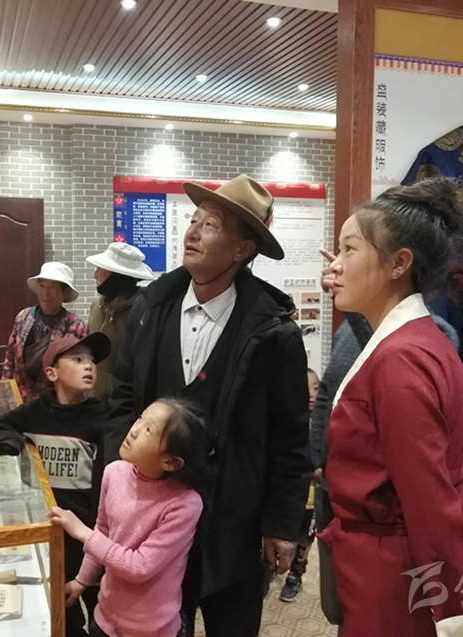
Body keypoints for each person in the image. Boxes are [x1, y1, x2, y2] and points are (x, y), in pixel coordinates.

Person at [108, 174, 311, 636]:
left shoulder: (273, 333)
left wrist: (282, 524)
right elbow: (121, 396)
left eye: (211, 225)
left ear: (242, 249)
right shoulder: (150, 309)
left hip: (233, 521)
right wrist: (123, 479)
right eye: (193, 220)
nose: (193, 233)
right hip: (152, 518)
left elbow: (290, 438)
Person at [317, 177, 463, 636]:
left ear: (398, 263)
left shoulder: (400, 359)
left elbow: (428, 500)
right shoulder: (414, 340)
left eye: (350, 250)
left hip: (394, 572)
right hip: (387, 560)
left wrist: (458, 614)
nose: (336, 266)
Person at [49, 398, 212, 637]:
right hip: (106, 616)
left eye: (149, 430)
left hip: (152, 629)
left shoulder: (185, 504)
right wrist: (83, 580)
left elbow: (139, 567)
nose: (134, 430)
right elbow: (103, 529)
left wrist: (82, 532)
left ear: (170, 462)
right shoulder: (113, 472)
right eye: (140, 418)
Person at [0, 331, 112, 637]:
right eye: (78, 359)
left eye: (91, 361)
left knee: (100, 605)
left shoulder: (102, 417)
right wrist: (11, 444)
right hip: (49, 532)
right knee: (61, 607)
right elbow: (2, 423)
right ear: (52, 373)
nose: (89, 366)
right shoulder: (35, 412)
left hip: (88, 532)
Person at [2, 262, 87, 402]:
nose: (46, 293)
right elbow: (10, 357)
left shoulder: (75, 326)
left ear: (65, 292)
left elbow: (78, 371)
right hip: (21, 400)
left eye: (53, 287)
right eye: (42, 286)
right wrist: (5, 393)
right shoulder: (23, 317)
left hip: (55, 403)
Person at [86, 242, 156, 404]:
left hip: (124, 403)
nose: (94, 275)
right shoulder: (96, 306)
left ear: (117, 276)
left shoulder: (144, 312)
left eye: (100, 269)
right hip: (93, 401)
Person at [279, 368, 320, 603]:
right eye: (305, 390)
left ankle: (295, 576)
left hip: (312, 498)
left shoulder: (323, 423)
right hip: (291, 496)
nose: (311, 394)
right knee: (287, 534)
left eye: (316, 388)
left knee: (305, 538)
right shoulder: (290, 423)